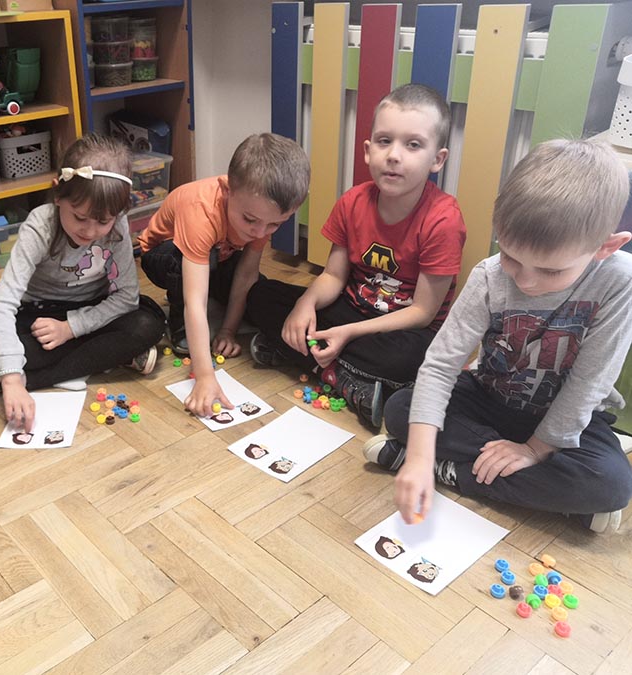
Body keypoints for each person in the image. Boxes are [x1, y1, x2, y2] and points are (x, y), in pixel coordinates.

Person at [363, 138, 632, 534]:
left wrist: (535, 450)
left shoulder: (619, 281)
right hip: (488, 398)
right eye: (510, 256)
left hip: (561, 416)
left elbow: (589, 382)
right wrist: (419, 458)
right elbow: (440, 366)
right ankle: (545, 494)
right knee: (402, 408)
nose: (525, 280)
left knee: (611, 483)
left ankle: (450, 470)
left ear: (606, 248)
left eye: (551, 271)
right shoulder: (488, 276)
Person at [246, 84, 466, 428]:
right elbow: (333, 276)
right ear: (367, 150)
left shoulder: (444, 220)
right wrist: (305, 304)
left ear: (437, 159)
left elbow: (422, 313)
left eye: (413, 145)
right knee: (262, 296)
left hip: (402, 329)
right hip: (350, 309)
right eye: (384, 141)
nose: (394, 155)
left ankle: (311, 359)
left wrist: (347, 333)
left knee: (416, 357)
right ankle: (346, 376)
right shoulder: (352, 202)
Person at [0, 134, 165, 432]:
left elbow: (127, 297)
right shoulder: (40, 226)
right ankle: (110, 356)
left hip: (92, 311)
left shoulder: (117, 224)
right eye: (80, 217)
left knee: (148, 325)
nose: (90, 231)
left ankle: (33, 378)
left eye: (103, 222)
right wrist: (12, 379)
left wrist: (70, 328)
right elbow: (2, 305)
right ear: (58, 195)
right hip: (40, 315)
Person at [138, 133, 310, 416]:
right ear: (227, 190)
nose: (260, 232)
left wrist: (229, 330)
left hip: (220, 254)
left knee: (259, 291)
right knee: (195, 271)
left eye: (274, 225)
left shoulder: (260, 215)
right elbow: (195, 300)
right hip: (163, 255)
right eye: (250, 220)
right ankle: (179, 323)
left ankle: (222, 304)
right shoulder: (200, 209)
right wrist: (205, 375)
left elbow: (247, 274)